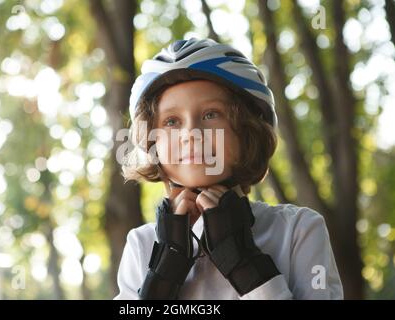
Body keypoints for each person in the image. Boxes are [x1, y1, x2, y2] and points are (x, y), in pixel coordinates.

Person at [114, 38, 343, 300]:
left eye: (211, 114)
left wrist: (244, 262)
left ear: (248, 132)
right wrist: (163, 273)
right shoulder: (141, 245)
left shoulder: (298, 229)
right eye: (172, 121)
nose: (191, 134)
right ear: (152, 142)